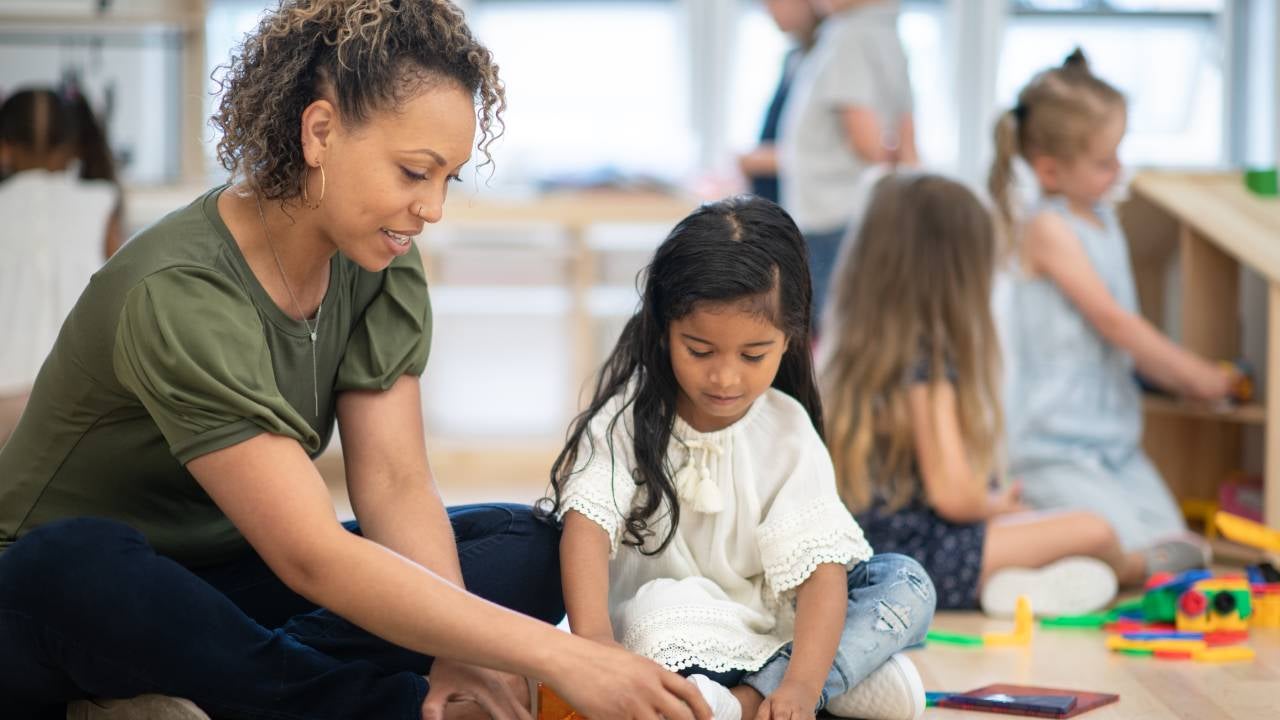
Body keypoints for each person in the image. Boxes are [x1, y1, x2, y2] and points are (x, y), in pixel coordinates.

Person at [0, 2, 714, 719]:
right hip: (72, 592)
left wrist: (458, 649)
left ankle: (225, 684)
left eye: (447, 180)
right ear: (320, 132)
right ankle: (364, 704)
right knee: (73, 567)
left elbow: (397, 484)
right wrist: (561, 654)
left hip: (232, 576)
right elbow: (310, 555)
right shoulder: (177, 291)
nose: (431, 207)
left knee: (524, 543)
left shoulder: (376, 253)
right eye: (413, 172)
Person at [543, 195, 936, 720]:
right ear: (663, 331)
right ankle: (840, 682)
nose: (725, 378)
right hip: (667, 627)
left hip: (771, 631)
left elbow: (821, 575)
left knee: (905, 583)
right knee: (662, 607)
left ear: (791, 339)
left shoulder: (788, 428)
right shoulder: (626, 419)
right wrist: (594, 646)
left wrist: (799, 684)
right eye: (700, 351)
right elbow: (587, 528)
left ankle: (756, 699)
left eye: (753, 355)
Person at [819, 173, 1175, 617]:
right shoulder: (926, 363)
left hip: (878, 557)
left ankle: (1016, 586)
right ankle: (1141, 566)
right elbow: (954, 495)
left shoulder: (857, 353)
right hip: (919, 562)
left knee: (1045, 525)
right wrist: (997, 504)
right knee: (1094, 530)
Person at [990, 49, 1235, 579]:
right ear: (1050, 170)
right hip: (1056, 447)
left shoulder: (1104, 219)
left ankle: (1070, 561)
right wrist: (1195, 376)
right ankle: (1029, 562)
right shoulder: (1047, 227)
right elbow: (1114, 322)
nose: (1119, 170)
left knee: (1174, 549)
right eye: (1105, 162)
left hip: (1115, 446)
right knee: (1125, 553)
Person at [0, 86, 123, 447]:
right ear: (73, 146)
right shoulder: (101, 201)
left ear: (4, 145)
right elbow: (119, 290)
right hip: (77, 390)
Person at [778, 0, 915, 323]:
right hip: (855, 213)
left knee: (833, 330)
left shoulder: (849, 37)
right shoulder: (887, 33)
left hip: (833, 217)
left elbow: (867, 140)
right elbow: (907, 132)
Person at [737, 0, 821, 204]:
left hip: (812, 209)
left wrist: (768, 160)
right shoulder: (795, 58)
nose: (767, 8)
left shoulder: (829, 58)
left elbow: (828, 151)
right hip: (777, 203)